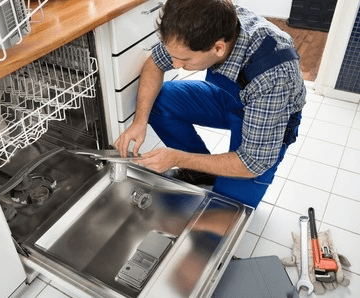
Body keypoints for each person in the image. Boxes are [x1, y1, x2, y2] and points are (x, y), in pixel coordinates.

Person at [114, 0, 306, 207]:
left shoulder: (273, 75)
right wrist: (139, 122)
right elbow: (154, 64)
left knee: (225, 208)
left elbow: (252, 164)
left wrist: (178, 158)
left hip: (269, 117)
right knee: (160, 101)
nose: (176, 65)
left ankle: (199, 167)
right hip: (232, 98)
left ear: (218, 48)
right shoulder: (200, 26)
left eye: (185, 60)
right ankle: (201, 171)